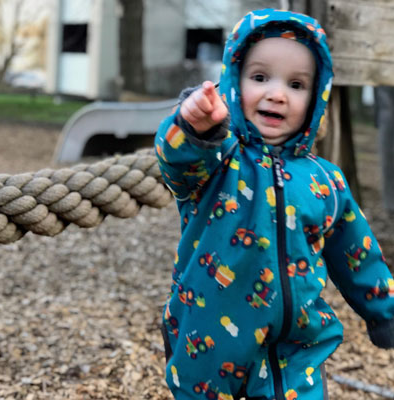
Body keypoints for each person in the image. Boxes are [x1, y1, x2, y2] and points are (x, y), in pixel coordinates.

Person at [155, 9, 394, 400]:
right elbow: (176, 159)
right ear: (234, 81)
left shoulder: (326, 181)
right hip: (209, 345)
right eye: (260, 77)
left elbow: (356, 253)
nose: (277, 94)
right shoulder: (218, 160)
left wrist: (385, 311)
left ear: (316, 96)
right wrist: (193, 128)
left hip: (297, 351)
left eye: (297, 84)